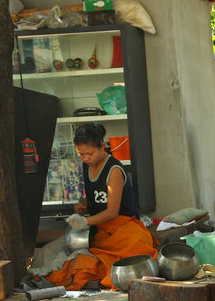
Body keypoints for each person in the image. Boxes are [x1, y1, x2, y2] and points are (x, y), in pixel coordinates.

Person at [45, 122, 158, 290]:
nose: (85, 158)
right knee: (75, 263)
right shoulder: (87, 166)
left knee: (135, 256)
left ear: (102, 147)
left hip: (124, 228)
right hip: (99, 230)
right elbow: (95, 193)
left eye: (89, 153)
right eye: (81, 154)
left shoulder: (114, 170)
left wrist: (85, 221)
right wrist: (82, 203)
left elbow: (112, 212)